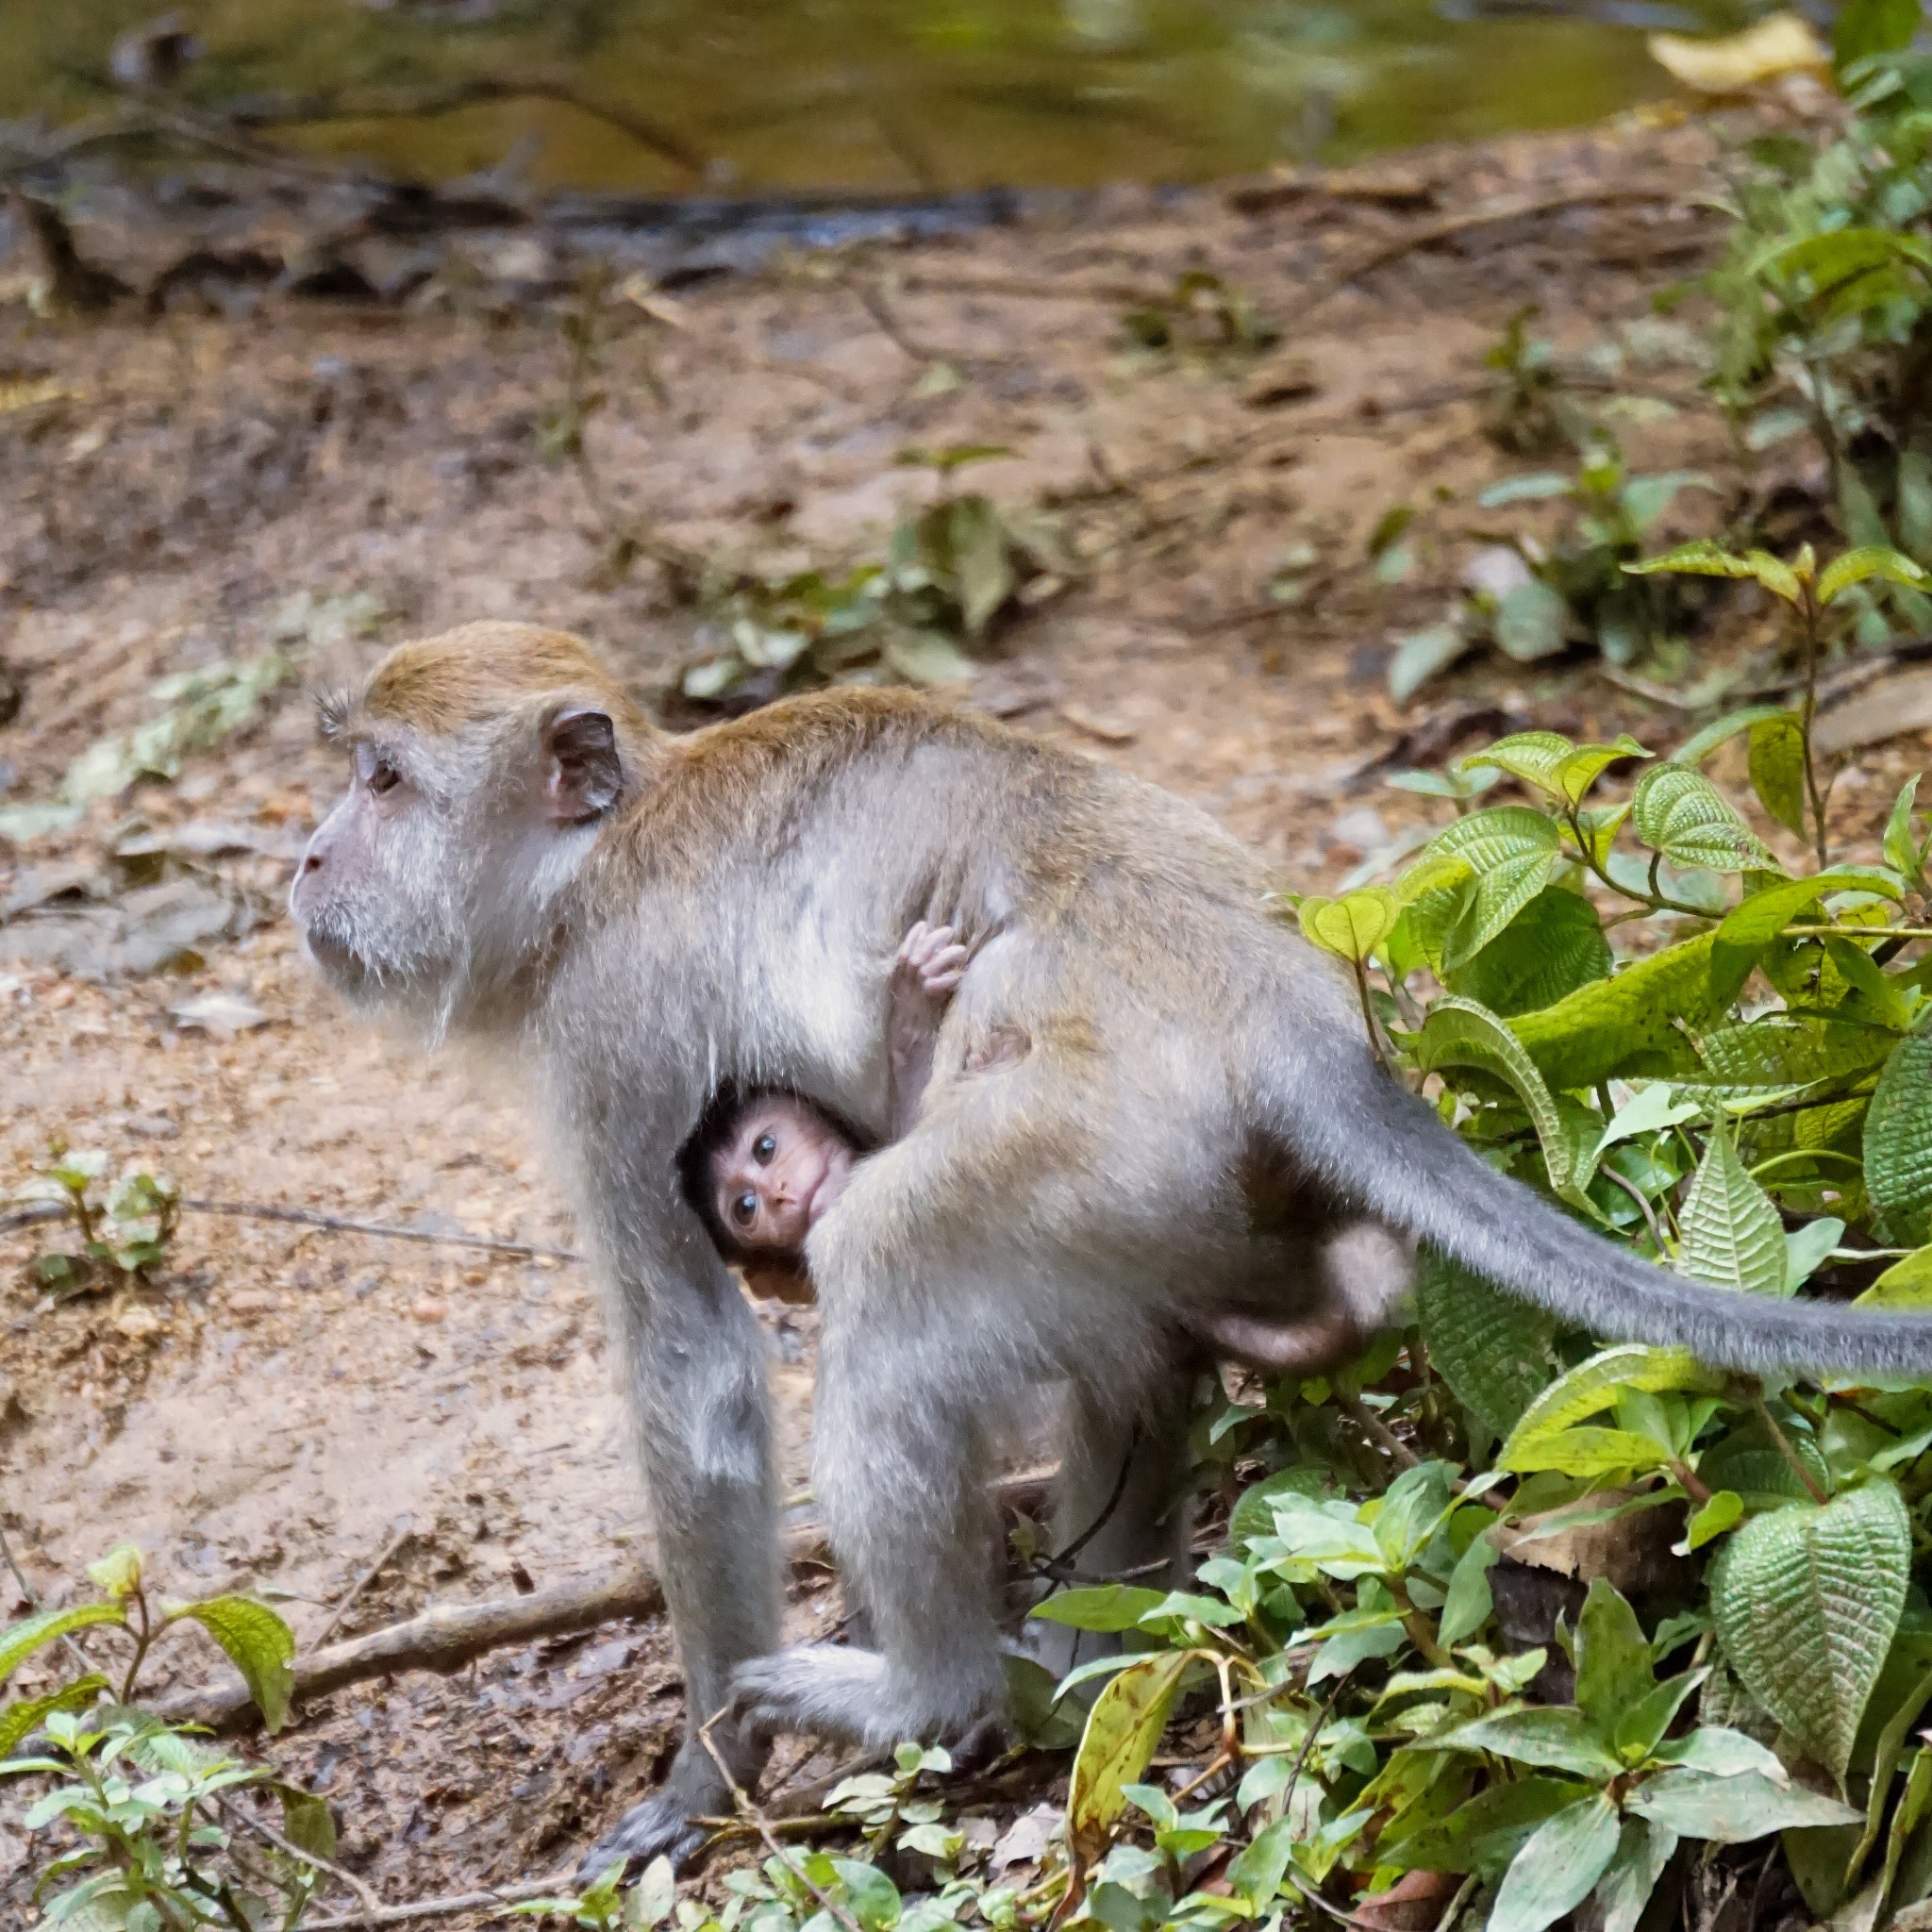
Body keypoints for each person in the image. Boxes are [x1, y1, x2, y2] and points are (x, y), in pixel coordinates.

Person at [682, 923, 1398, 1373]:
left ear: (810, 1103)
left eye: (767, 1147)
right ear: (774, 1280)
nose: (773, 1188)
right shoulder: (851, 1270)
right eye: (744, 1206)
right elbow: (927, 1199)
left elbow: (930, 1175)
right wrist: (911, 1036)